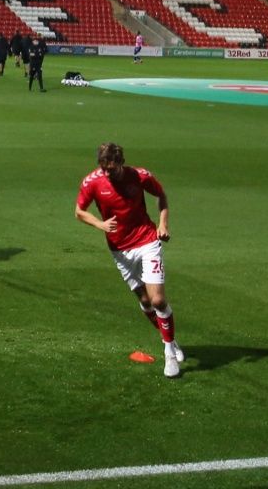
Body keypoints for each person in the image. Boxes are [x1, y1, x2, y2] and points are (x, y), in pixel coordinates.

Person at [74, 142, 181, 378]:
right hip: (120, 250)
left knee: (158, 300)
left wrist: (163, 224)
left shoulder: (140, 176)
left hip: (147, 241)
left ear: (121, 163)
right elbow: (79, 211)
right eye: (104, 169)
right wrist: (100, 224)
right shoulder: (92, 182)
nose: (108, 173)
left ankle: (170, 354)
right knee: (144, 301)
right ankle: (171, 341)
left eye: (112, 169)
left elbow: (161, 196)